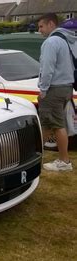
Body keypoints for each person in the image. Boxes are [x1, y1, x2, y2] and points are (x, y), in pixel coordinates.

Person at [37, 13, 76, 171]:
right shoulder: (67, 40)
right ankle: (36, 155)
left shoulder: (51, 41)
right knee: (50, 125)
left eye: (41, 26)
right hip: (67, 87)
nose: (39, 30)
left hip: (54, 88)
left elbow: (47, 68)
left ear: (51, 24)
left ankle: (64, 161)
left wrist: (43, 89)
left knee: (55, 125)